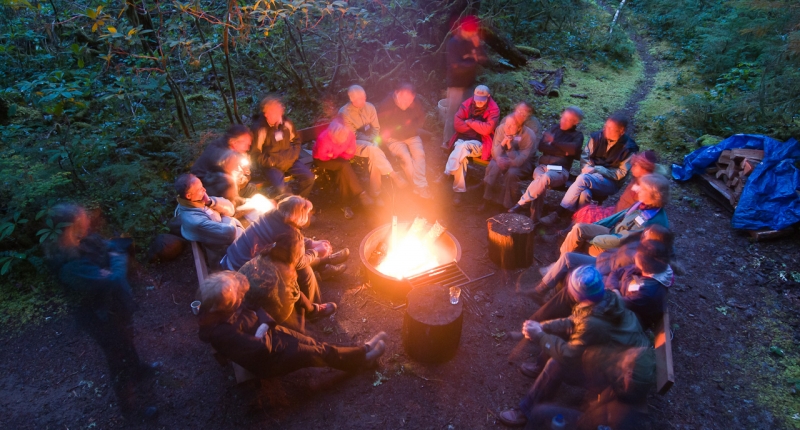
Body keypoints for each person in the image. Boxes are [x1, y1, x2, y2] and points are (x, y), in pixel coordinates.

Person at [44, 204, 158, 419]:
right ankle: (131, 409)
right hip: (100, 317)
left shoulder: (82, 240)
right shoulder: (68, 265)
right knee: (117, 359)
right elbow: (113, 274)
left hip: (113, 307)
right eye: (82, 219)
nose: (87, 221)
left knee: (127, 340)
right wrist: (115, 260)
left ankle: (138, 369)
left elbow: (109, 247)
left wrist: (111, 260)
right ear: (70, 228)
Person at [498, 266, 650, 427]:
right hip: (614, 356)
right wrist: (543, 327)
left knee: (557, 363)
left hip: (619, 380)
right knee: (559, 337)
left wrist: (540, 336)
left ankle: (525, 411)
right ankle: (540, 368)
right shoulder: (607, 298)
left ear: (577, 295)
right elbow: (573, 320)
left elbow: (568, 355)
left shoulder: (593, 325)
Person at [197, 271, 388, 379]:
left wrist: (263, 325)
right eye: (238, 297)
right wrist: (264, 326)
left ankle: (362, 353)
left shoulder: (219, 303)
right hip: (269, 360)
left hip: (272, 335)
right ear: (227, 303)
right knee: (317, 353)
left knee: (316, 345)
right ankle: (363, 356)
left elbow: (255, 307)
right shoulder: (222, 332)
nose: (241, 298)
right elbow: (261, 349)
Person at [222, 196, 346, 303]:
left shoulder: (273, 214)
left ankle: (325, 265)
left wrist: (311, 243)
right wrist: (317, 252)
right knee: (304, 269)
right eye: (307, 213)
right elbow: (299, 261)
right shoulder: (291, 234)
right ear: (299, 217)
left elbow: (292, 242)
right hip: (242, 273)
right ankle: (314, 305)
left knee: (295, 254)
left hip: (231, 259)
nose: (309, 216)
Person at [527, 224, 674, 305]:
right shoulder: (642, 248)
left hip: (603, 274)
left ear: (655, 241)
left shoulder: (645, 259)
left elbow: (623, 278)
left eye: (647, 235)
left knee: (572, 273)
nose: (643, 234)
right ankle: (540, 290)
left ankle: (551, 298)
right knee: (567, 257)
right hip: (601, 261)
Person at [525, 345, 656, 430]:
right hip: (589, 418)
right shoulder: (630, 388)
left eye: (626, 361)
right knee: (557, 363)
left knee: (540, 412)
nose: (626, 354)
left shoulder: (624, 420)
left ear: (630, 373)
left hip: (584, 424)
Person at [544, 114, 639, 224]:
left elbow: (621, 173)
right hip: (590, 176)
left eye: (610, 128)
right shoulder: (597, 137)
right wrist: (588, 169)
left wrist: (597, 170)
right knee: (585, 193)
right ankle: (576, 223)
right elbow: (585, 156)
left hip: (610, 183)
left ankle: (558, 212)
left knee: (583, 179)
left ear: (621, 131)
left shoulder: (628, 148)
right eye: (605, 126)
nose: (605, 130)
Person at [239, 230, 337, 332]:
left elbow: (298, 259)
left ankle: (314, 309)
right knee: (297, 302)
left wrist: (313, 247)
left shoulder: (268, 253)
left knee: (298, 294)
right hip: (262, 318)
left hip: (240, 302)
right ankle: (302, 328)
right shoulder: (285, 278)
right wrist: (316, 251)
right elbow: (293, 297)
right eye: (303, 249)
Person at [557, 173, 670, 257]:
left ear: (653, 195)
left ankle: (566, 266)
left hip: (621, 249)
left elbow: (622, 240)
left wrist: (594, 239)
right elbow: (617, 216)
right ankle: (561, 261)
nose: (638, 190)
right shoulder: (642, 203)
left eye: (642, 189)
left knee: (586, 247)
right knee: (579, 228)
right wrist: (595, 225)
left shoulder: (650, 221)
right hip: (613, 233)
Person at [508, 107, 585, 220]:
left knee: (544, 179)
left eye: (568, 119)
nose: (563, 121)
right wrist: (564, 151)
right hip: (542, 167)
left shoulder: (577, 136)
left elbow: (573, 150)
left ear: (575, 122)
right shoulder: (554, 128)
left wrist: (553, 142)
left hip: (560, 171)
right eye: (563, 117)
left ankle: (521, 203)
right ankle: (534, 219)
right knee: (541, 183)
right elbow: (541, 146)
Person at [338, 85, 407, 203]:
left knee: (374, 154)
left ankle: (376, 194)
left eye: (364, 97)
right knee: (373, 149)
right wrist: (371, 140)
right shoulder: (344, 113)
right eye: (359, 98)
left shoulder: (370, 108)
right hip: (351, 144)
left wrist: (374, 139)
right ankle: (393, 175)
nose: (363, 100)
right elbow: (353, 135)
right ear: (352, 99)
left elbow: (376, 128)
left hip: (370, 143)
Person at [438, 85, 500, 204]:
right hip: (462, 139)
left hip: (481, 143)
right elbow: (457, 124)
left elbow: (487, 130)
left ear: (488, 97)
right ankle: (458, 192)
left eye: (482, 100)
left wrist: (470, 122)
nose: (478, 102)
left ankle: (447, 172)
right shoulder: (467, 104)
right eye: (477, 99)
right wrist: (477, 127)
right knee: (461, 157)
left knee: (461, 148)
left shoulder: (494, 109)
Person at [571, 150, 660, 225]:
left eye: (636, 165)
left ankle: (580, 236)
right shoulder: (637, 178)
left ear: (644, 168)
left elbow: (634, 214)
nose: (632, 166)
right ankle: (572, 227)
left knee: (587, 216)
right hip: (616, 211)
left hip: (618, 218)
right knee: (585, 209)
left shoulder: (646, 188)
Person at [250, 95, 315, 198]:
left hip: (290, 160)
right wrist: (271, 162)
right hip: (273, 165)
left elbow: (296, 140)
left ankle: (301, 202)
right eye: (266, 112)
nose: (267, 115)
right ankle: (290, 209)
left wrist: (293, 155)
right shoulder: (260, 129)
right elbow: (255, 153)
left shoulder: (286, 123)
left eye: (271, 112)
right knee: (282, 189)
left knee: (309, 177)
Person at [312, 117, 376, 219]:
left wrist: (335, 154)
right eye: (338, 141)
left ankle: (345, 205)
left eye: (344, 140)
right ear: (333, 136)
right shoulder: (324, 138)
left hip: (340, 159)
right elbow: (322, 156)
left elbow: (350, 153)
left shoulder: (349, 135)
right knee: (344, 166)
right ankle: (361, 194)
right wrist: (338, 154)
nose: (342, 142)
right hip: (322, 160)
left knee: (343, 171)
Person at [377, 83, 432, 199]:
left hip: (412, 135)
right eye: (404, 99)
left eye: (409, 100)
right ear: (397, 93)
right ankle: (419, 187)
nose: (406, 103)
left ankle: (420, 186)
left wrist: (412, 130)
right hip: (393, 139)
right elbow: (380, 125)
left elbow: (420, 118)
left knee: (419, 154)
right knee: (406, 158)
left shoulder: (415, 103)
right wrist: (386, 137)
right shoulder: (386, 105)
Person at [174, 173, 244, 264]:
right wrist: (226, 217)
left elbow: (231, 209)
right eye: (199, 189)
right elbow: (229, 232)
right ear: (188, 196)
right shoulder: (194, 220)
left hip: (238, 237)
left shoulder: (199, 200)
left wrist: (211, 202)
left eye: (202, 186)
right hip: (228, 254)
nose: (204, 190)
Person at [442, 15, 487, 149]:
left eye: (474, 32)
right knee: (453, 114)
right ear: (464, 30)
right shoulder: (453, 43)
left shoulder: (472, 41)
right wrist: (473, 61)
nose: (473, 34)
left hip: (469, 85)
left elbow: (484, 60)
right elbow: (455, 66)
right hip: (456, 85)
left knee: (468, 115)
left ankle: (462, 141)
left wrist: (478, 46)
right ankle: (446, 142)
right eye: (471, 31)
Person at [606, 241, 673, 328]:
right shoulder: (650, 269)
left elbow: (619, 304)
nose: (634, 256)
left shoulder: (646, 293)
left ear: (641, 263)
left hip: (627, 319)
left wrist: (615, 293)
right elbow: (616, 272)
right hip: (620, 296)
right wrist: (614, 289)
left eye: (636, 255)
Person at [480, 111, 537, 209]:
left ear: (519, 127)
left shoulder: (529, 135)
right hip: (503, 158)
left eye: (511, 125)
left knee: (512, 173)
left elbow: (520, 160)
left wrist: (510, 148)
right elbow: (494, 153)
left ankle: (506, 204)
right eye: (506, 124)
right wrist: (502, 146)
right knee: (493, 165)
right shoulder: (501, 129)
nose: (507, 127)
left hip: (523, 163)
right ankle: (486, 198)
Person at [191, 124, 255, 198]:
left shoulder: (224, 144)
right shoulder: (224, 157)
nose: (247, 148)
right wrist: (246, 176)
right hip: (206, 192)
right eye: (246, 145)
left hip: (214, 186)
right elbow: (234, 183)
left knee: (251, 187)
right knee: (251, 190)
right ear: (234, 142)